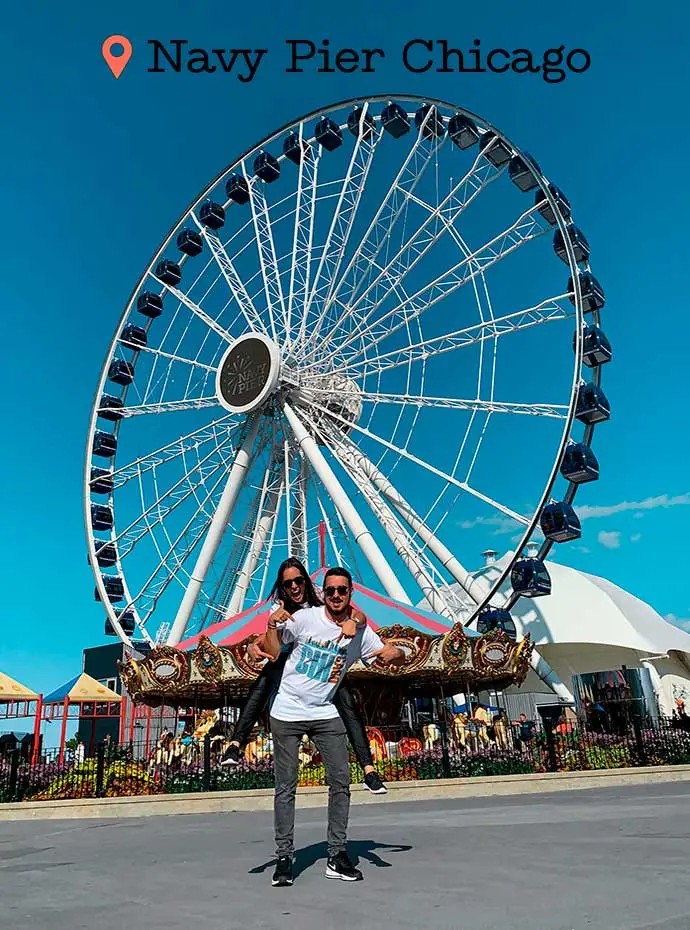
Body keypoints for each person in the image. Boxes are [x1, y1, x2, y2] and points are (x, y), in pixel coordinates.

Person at [264, 565, 404, 887]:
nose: (336, 595)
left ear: (351, 594)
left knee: (340, 781)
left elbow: (387, 650)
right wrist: (272, 625)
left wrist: (396, 654)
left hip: (325, 711)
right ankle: (285, 856)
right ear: (323, 593)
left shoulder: (361, 632)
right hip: (287, 711)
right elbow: (273, 652)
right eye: (331, 591)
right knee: (286, 786)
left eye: (342, 590)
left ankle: (337, 855)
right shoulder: (306, 618)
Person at [221, 558, 388, 796]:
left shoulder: (323, 597)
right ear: (282, 587)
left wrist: (352, 621)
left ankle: (369, 769)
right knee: (261, 686)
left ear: (306, 581)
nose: (294, 587)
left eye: (298, 580)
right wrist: (252, 645)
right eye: (288, 584)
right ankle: (236, 744)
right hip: (288, 665)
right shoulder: (278, 608)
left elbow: (358, 615)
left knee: (348, 706)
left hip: (324, 669)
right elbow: (268, 640)